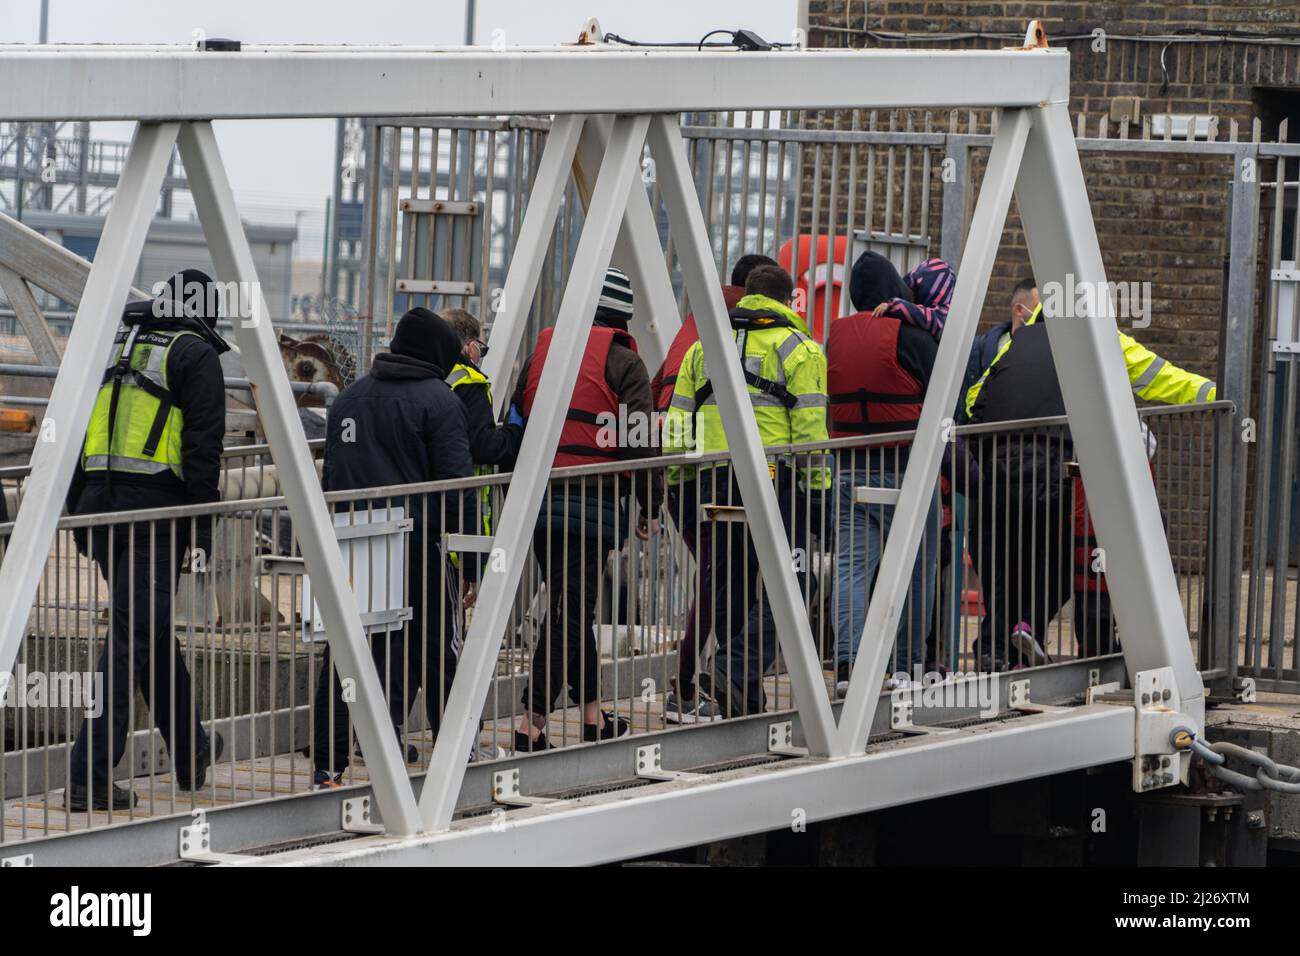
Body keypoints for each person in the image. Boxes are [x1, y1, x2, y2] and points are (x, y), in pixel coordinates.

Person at [965, 298, 1217, 668]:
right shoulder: (1098, 338)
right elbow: (1161, 377)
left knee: (1010, 561)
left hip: (994, 464)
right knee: (1067, 554)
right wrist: (1220, 396)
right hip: (1052, 462)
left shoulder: (1016, 343)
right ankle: (1028, 627)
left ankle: (994, 649)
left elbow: (975, 401)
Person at [65, 270, 228, 811]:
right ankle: (88, 776)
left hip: (99, 512)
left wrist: (73, 505)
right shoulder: (194, 354)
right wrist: (202, 528)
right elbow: (203, 449)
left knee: (148, 634)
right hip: (154, 516)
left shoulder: (117, 342)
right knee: (131, 641)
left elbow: (73, 425)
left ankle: (191, 750)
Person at [310, 307, 474, 788]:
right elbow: (456, 486)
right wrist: (471, 561)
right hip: (417, 545)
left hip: (356, 545)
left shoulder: (348, 399)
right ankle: (456, 751)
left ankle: (328, 764)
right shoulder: (440, 402)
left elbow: (331, 477)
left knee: (346, 653)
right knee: (438, 648)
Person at [664, 264, 830, 718]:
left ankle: (743, 701)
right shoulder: (800, 349)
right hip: (772, 479)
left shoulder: (703, 350)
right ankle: (735, 668)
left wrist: (677, 485)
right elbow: (812, 432)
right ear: (789, 300)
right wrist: (818, 493)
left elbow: (677, 421)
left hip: (711, 480)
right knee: (795, 584)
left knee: (729, 587)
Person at [512, 267, 662, 751]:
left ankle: (594, 717)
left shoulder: (544, 352)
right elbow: (639, 443)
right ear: (621, 315)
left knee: (570, 608)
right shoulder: (624, 363)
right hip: (592, 507)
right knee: (570, 613)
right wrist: (651, 505)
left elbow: (518, 413)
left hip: (539, 503)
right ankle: (530, 723)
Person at [650, 252, 778, 724]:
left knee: (724, 578)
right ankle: (687, 688)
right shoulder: (732, 328)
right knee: (718, 580)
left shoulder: (701, 319)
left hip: (685, 469)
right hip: (708, 472)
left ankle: (737, 689)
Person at [826, 252, 941, 696]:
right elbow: (943, 396)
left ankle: (848, 667)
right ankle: (907, 667)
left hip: (851, 468)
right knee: (916, 567)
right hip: (907, 469)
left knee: (852, 569)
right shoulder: (911, 336)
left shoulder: (834, 338)